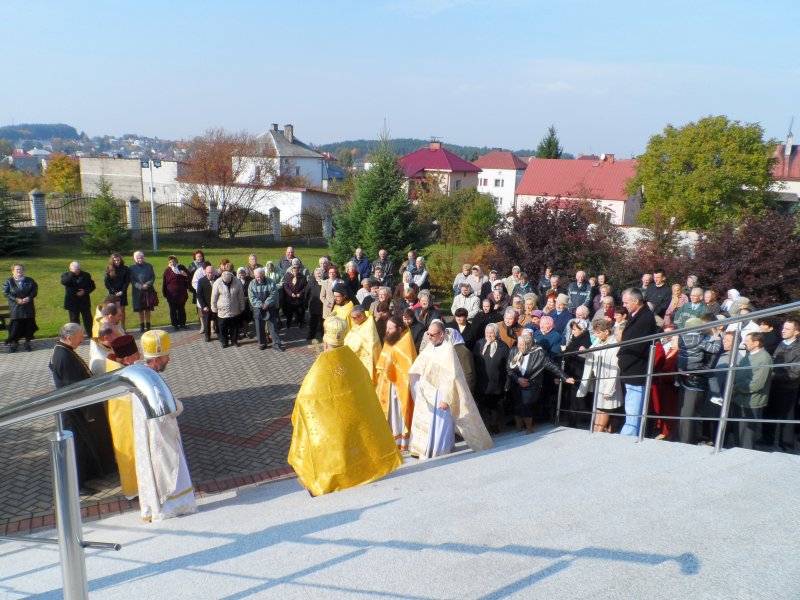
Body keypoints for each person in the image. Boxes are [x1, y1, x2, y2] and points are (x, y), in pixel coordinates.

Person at [288, 316, 402, 495]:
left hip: (332, 430)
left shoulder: (318, 370)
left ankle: (332, 480)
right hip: (355, 424)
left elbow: (304, 400)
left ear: (325, 342)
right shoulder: (353, 362)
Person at [133, 330, 198, 521]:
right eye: (165, 356)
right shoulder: (152, 381)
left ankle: (158, 506)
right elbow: (167, 408)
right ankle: (173, 507)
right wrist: (179, 406)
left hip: (152, 434)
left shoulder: (139, 373)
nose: (168, 360)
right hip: (159, 437)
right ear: (156, 358)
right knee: (169, 471)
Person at [408, 320, 493, 458]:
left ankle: (439, 451)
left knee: (440, 423)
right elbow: (420, 365)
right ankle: (423, 450)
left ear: (441, 334)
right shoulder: (430, 347)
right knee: (427, 422)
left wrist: (445, 399)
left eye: (432, 335)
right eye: (428, 334)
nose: (429, 337)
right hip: (427, 394)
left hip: (441, 395)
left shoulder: (448, 350)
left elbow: (450, 377)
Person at [49, 322, 116, 490]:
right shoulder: (63, 356)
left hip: (79, 408)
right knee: (78, 447)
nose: (82, 340)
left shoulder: (64, 351)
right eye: (79, 338)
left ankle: (95, 471)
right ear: (69, 338)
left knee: (87, 443)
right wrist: (89, 413)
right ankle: (77, 485)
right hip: (75, 412)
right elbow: (73, 387)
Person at [507, 329, 575, 435]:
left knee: (526, 405)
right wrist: (518, 379)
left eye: (522, 345)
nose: (519, 347)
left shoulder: (539, 353)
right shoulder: (514, 351)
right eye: (519, 344)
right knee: (517, 405)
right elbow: (509, 368)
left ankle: (529, 429)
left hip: (531, 383)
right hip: (517, 381)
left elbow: (553, 366)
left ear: (529, 344)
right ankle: (518, 429)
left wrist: (565, 377)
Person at [617, 288, 658, 437]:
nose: (624, 305)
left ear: (636, 301)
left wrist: (623, 360)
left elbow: (636, 344)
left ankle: (629, 433)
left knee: (634, 403)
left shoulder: (645, 318)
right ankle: (630, 431)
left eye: (626, 302)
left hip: (636, 367)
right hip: (630, 367)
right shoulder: (637, 315)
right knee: (631, 402)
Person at [375, 316, 418, 451]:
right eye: (386, 327)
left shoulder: (405, 343)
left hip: (398, 387)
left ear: (399, 329)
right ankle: (389, 438)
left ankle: (400, 440)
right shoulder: (390, 339)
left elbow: (406, 368)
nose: (387, 330)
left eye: (390, 328)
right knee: (388, 414)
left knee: (398, 413)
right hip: (386, 385)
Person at [760, 318, 800, 451]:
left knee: (786, 416)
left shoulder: (798, 348)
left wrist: (772, 375)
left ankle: (786, 444)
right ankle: (767, 438)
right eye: (783, 328)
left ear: (796, 332)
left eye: (787, 329)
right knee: (769, 412)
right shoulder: (782, 343)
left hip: (788, 387)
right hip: (774, 385)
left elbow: (794, 373)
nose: (783, 331)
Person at [576, 317, 622, 433]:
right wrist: (583, 352)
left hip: (609, 381)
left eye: (598, 333)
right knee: (598, 408)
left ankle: (598, 433)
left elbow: (615, 369)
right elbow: (591, 355)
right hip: (599, 379)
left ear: (606, 331)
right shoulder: (598, 341)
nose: (596, 335)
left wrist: (609, 390)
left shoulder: (614, 344)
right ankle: (596, 430)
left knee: (605, 408)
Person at [730, 332, 773, 450]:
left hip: (751, 401)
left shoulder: (764, 358)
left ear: (756, 343)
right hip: (739, 398)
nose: (744, 343)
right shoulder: (749, 354)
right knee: (738, 428)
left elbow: (756, 383)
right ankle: (738, 450)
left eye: (747, 341)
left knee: (747, 433)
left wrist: (736, 388)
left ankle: (745, 454)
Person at [472, 322, 509, 434]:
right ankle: (482, 427)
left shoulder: (503, 347)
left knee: (494, 407)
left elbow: (508, 367)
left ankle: (493, 424)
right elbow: (473, 361)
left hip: (496, 383)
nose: (489, 335)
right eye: (487, 332)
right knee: (481, 406)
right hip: (481, 382)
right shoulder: (479, 343)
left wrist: (507, 383)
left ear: (496, 333)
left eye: (492, 332)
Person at [651, 324, 679, 441]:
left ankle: (668, 432)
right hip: (663, 383)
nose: (671, 339)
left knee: (669, 410)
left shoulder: (677, 352)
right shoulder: (671, 350)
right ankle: (662, 430)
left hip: (669, 385)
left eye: (674, 338)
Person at [562, 318, 591, 428]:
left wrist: (567, 352)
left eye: (575, 329)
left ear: (582, 330)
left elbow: (581, 357)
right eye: (572, 329)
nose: (573, 332)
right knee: (571, 396)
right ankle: (572, 420)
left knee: (575, 397)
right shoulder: (575, 339)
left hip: (578, 372)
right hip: (571, 370)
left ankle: (574, 421)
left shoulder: (584, 341)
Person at [3, 263, 38, 352]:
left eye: (20, 269)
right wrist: (16, 299)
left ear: (23, 271)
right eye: (17, 270)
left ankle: (27, 342)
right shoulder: (9, 281)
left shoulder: (30, 280)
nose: (19, 271)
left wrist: (29, 297)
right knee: (15, 326)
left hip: (28, 307)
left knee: (28, 325)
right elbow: (6, 292)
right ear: (13, 272)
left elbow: (34, 291)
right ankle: (15, 342)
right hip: (16, 308)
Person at [344, 305, 382, 382]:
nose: (352, 320)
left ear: (361, 316)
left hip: (363, 360)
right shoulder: (359, 323)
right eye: (352, 317)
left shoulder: (369, 327)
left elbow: (367, 345)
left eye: (354, 318)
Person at [249, 267, 283, 351]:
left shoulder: (271, 282)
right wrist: (261, 305)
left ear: (264, 275)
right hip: (258, 308)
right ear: (255, 276)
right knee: (259, 327)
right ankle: (262, 343)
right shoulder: (252, 284)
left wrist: (267, 303)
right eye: (257, 277)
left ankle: (276, 344)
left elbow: (274, 294)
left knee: (273, 326)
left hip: (269, 307)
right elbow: (252, 297)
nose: (259, 278)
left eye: (261, 276)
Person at [211, 268, 246, 348]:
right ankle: (224, 342)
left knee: (235, 327)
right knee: (222, 327)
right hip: (222, 311)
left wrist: (242, 307)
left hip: (235, 309)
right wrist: (214, 308)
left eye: (228, 281)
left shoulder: (237, 282)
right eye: (225, 282)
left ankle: (234, 341)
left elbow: (241, 296)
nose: (227, 283)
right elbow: (214, 297)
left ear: (231, 277)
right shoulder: (217, 283)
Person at [61, 261, 96, 337]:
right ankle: (76, 336)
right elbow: (64, 282)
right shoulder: (66, 275)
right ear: (70, 269)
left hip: (84, 301)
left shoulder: (86, 275)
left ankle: (91, 335)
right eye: (74, 269)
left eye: (77, 269)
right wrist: (72, 274)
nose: (76, 271)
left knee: (88, 320)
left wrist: (85, 291)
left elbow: (92, 286)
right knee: (74, 321)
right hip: (72, 302)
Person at [162, 255, 190, 331]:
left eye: (173, 261)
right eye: (170, 261)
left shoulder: (181, 268)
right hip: (171, 294)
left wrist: (185, 275)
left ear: (176, 261)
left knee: (181, 309)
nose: (172, 263)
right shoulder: (167, 270)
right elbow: (164, 283)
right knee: (173, 310)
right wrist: (164, 293)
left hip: (181, 293)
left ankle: (182, 324)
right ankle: (175, 325)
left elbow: (188, 277)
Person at [104, 253, 130, 329]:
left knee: (122, 312)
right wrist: (114, 291)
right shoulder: (108, 269)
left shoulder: (125, 269)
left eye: (118, 260)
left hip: (122, 293)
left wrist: (122, 291)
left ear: (120, 260)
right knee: (113, 312)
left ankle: (123, 328)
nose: (117, 262)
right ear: (112, 261)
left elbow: (127, 281)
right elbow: (107, 283)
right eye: (115, 260)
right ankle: (114, 328)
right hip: (113, 294)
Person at [283, 261, 308, 328]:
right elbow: (286, 286)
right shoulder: (288, 277)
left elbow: (305, 287)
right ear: (291, 271)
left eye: (296, 271)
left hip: (299, 299)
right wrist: (291, 293)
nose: (295, 273)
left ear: (298, 271)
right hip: (290, 299)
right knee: (289, 313)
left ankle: (300, 323)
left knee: (300, 312)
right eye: (293, 271)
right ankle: (288, 324)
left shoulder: (302, 278)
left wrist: (300, 293)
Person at [196, 264, 217, 343]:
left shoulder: (218, 279)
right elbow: (199, 295)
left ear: (214, 272)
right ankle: (207, 336)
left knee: (218, 321)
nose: (210, 274)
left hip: (216, 305)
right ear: (205, 272)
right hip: (206, 305)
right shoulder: (201, 281)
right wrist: (203, 306)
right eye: (208, 272)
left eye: (211, 272)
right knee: (206, 321)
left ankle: (220, 335)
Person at [305, 267, 324, 342]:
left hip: (323, 305)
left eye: (319, 273)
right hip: (313, 305)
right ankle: (311, 335)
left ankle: (323, 335)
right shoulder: (311, 282)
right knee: (313, 321)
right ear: (314, 275)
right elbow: (307, 293)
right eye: (316, 273)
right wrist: (305, 304)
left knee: (322, 321)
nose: (318, 275)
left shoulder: (325, 282)